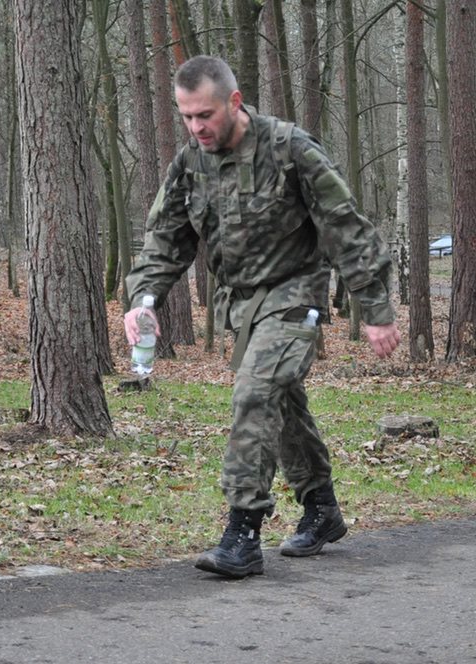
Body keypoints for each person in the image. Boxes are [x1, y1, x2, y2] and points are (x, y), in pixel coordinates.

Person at [124, 55, 399, 578]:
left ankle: (243, 532)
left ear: (234, 102)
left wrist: (375, 308)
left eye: (204, 115)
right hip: (241, 304)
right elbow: (164, 240)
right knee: (281, 401)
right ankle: (321, 507)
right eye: (186, 116)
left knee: (255, 392)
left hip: (297, 293)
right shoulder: (190, 163)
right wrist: (144, 299)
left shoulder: (290, 149)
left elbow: (346, 226)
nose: (196, 127)